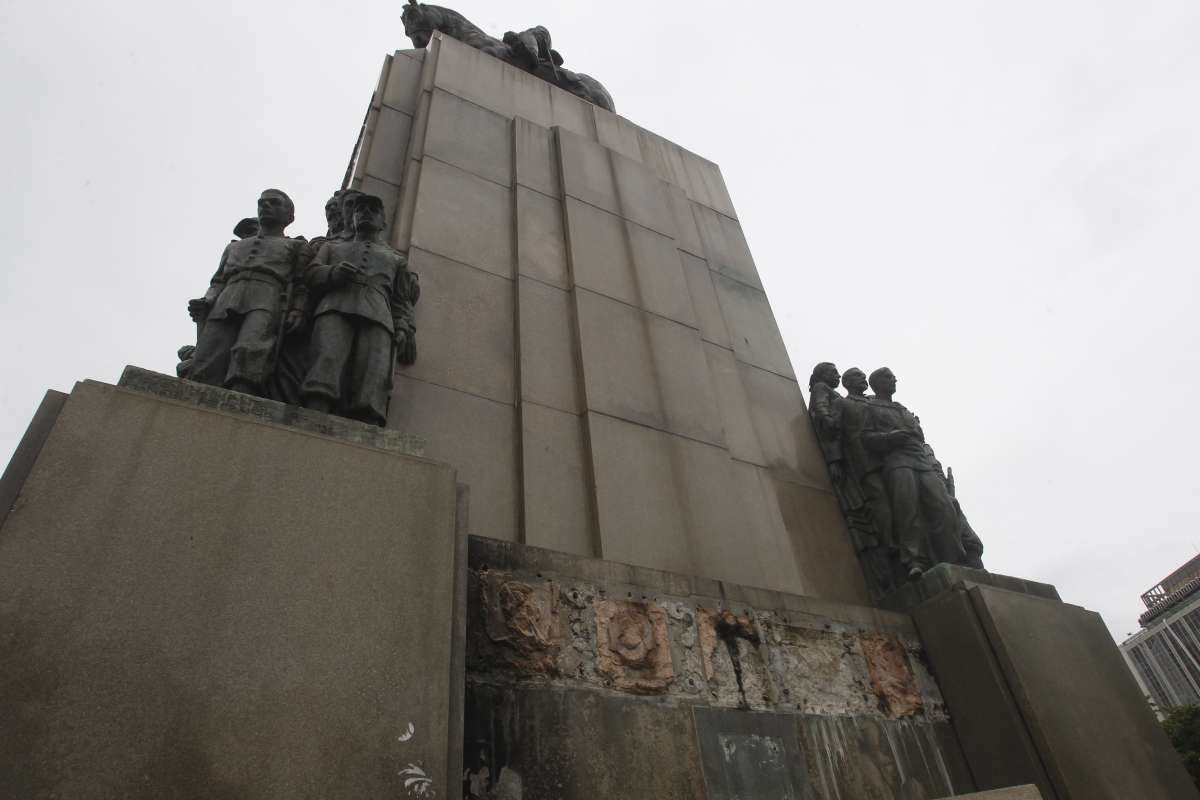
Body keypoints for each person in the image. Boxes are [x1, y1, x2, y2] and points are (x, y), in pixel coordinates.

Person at [301, 194, 418, 426]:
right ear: (352, 218)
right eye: (360, 209)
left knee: (373, 372)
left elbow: (401, 300)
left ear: (383, 221)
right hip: (334, 308)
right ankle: (315, 411)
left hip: (378, 316)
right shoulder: (331, 247)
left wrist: (402, 326)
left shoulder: (396, 259)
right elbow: (311, 274)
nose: (366, 213)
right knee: (326, 359)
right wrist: (332, 273)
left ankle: (367, 421)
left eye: (373, 210)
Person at [187, 190, 308, 395]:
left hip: (267, 297)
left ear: (289, 216)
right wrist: (207, 300)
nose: (265, 206)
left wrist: (298, 309)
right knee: (210, 349)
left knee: (251, 348)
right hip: (227, 297)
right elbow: (218, 280)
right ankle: (196, 394)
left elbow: (301, 283)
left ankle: (241, 394)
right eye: (262, 203)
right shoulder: (234, 247)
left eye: (274, 203)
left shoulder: (296, 246)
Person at [862, 367, 967, 577]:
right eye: (889, 377)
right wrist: (890, 437)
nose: (895, 380)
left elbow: (918, 433)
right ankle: (914, 561)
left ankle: (952, 557)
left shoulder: (902, 408)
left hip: (921, 461)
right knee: (907, 511)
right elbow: (865, 437)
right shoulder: (869, 408)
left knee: (944, 507)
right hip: (897, 462)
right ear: (878, 383)